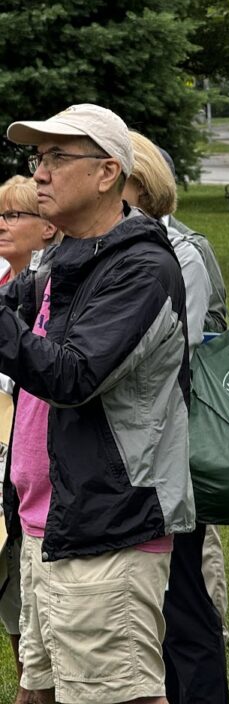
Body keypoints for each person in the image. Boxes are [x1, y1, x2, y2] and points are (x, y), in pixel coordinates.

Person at [3, 103, 193, 704]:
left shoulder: (140, 268)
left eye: (58, 157)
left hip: (106, 528)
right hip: (45, 523)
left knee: (116, 695)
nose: (40, 173)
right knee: (40, 691)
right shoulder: (63, 260)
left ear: (108, 173)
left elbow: (73, 375)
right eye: (38, 158)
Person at [124, 131, 229, 704]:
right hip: (123, 457)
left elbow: (167, 352)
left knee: (183, 603)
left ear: (138, 185)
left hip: (166, 453)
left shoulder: (179, 253)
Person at [0, 175, 59, 692]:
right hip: (16, 479)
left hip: (47, 490)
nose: (2, 224)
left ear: (48, 227)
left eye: (14, 214)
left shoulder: (55, 284)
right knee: (19, 617)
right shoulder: (13, 284)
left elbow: (58, 374)